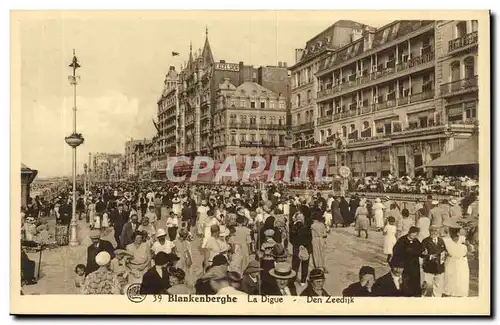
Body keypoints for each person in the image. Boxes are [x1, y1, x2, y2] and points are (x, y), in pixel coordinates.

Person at [392, 226, 422, 297]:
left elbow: (420, 250)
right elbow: (396, 251)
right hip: (404, 265)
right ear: (409, 232)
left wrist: (423, 253)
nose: (414, 236)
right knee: (405, 281)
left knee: (414, 280)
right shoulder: (402, 240)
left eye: (416, 234)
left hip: (414, 265)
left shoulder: (416, 241)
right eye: (413, 234)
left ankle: (415, 294)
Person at [443, 227, 470, 297]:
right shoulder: (446, 240)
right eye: (452, 231)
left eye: (457, 232)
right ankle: (449, 292)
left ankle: (460, 292)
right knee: (450, 276)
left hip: (461, 261)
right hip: (451, 261)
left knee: (461, 276)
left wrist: (467, 246)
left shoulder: (463, 239)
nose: (455, 234)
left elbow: (470, 249)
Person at [421, 225, 446, 297]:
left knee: (438, 286)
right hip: (429, 267)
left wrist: (444, 256)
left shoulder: (441, 241)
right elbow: (422, 254)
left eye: (435, 230)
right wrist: (430, 256)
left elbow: (444, 251)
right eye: (432, 230)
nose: (434, 232)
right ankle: (422, 297)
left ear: (438, 231)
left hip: (439, 267)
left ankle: (436, 300)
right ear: (429, 231)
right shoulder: (425, 241)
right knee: (427, 284)